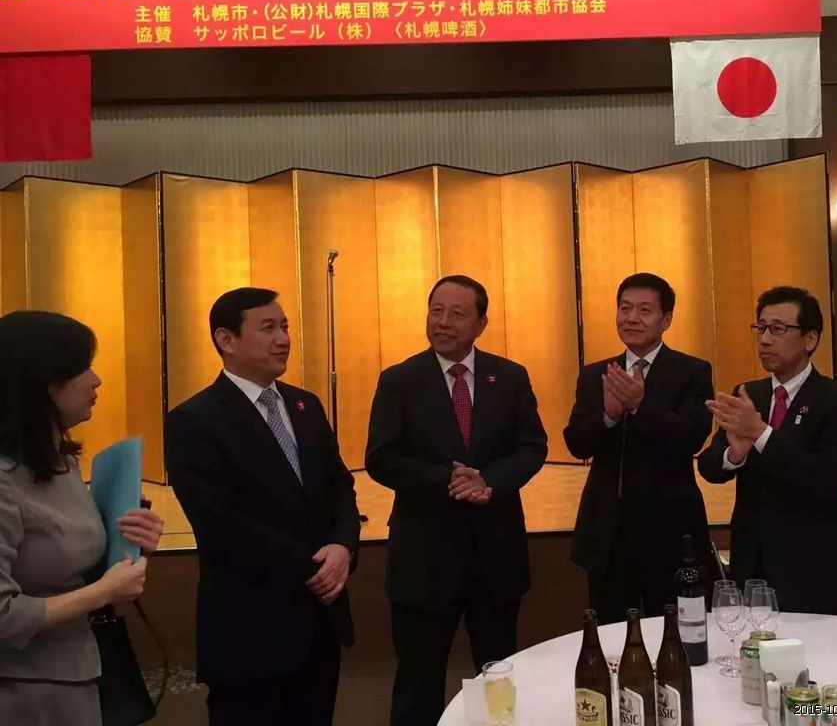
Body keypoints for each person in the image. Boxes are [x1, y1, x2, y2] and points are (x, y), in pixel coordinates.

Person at [165, 288, 360, 726]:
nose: (283, 339)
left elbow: (339, 486)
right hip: (249, 628)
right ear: (226, 339)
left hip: (320, 621)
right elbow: (221, 523)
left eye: (285, 327)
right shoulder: (194, 421)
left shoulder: (305, 405)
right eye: (268, 328)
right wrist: (315, 566)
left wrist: (343, 547)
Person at [366, 275, 547, 726]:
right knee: (418, 682)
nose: (442, 322)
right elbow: (381, 458)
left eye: (457, 314)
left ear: (481, 324)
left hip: (495, 555)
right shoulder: (399, 380)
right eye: (436, 311)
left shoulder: (510, 377)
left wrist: (490, 481)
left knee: (497, 676)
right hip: (424, 558)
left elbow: (532, 447)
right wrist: (448, 479)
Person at [0, 311, 163, 726]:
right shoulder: (4, 480)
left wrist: (130, 542)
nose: (97, 380)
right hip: (22, 692)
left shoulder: (62, 463)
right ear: (44, 384)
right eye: (83, 368)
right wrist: (103, 592)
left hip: (79, 671)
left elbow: (70, 563)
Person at [698, 286, 837, 615]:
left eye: (777, 329)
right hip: (753, 565)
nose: (764, 339)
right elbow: (709, 467)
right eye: (760, 328)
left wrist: (761, 434)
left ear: (810, 339)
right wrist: (735, 455)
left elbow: (825, 478)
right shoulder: (749, 394)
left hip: (814, 569)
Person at [566, 273, 714, 623]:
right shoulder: (597, 374)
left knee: (675, 632)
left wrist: (640, 406)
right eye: (625, 308)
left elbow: (692, 437)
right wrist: (608, 416)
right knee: (612, 635)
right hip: (607, 531)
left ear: (666, 319)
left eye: (644, 310)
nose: (631, 318)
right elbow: (576, 442)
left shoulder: (692, 371)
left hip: (670, 529)